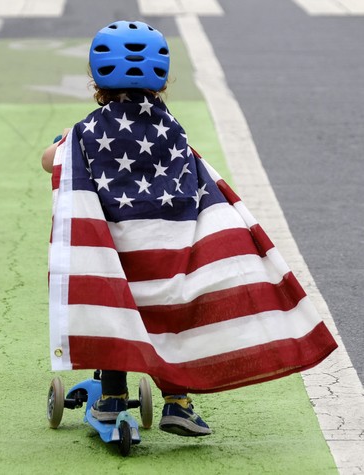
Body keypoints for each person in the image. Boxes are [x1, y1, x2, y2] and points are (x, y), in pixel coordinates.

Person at [42, 21, 337, 437]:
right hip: (169, 253)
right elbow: (194, 181)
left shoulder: (85, 133)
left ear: (95, 78)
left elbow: (49, 160)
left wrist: (62, 147)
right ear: (162, 80)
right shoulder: (171, 129)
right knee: (173, 317)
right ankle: (177, 402)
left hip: (118, 258)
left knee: (117, 315)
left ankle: (110, 401)